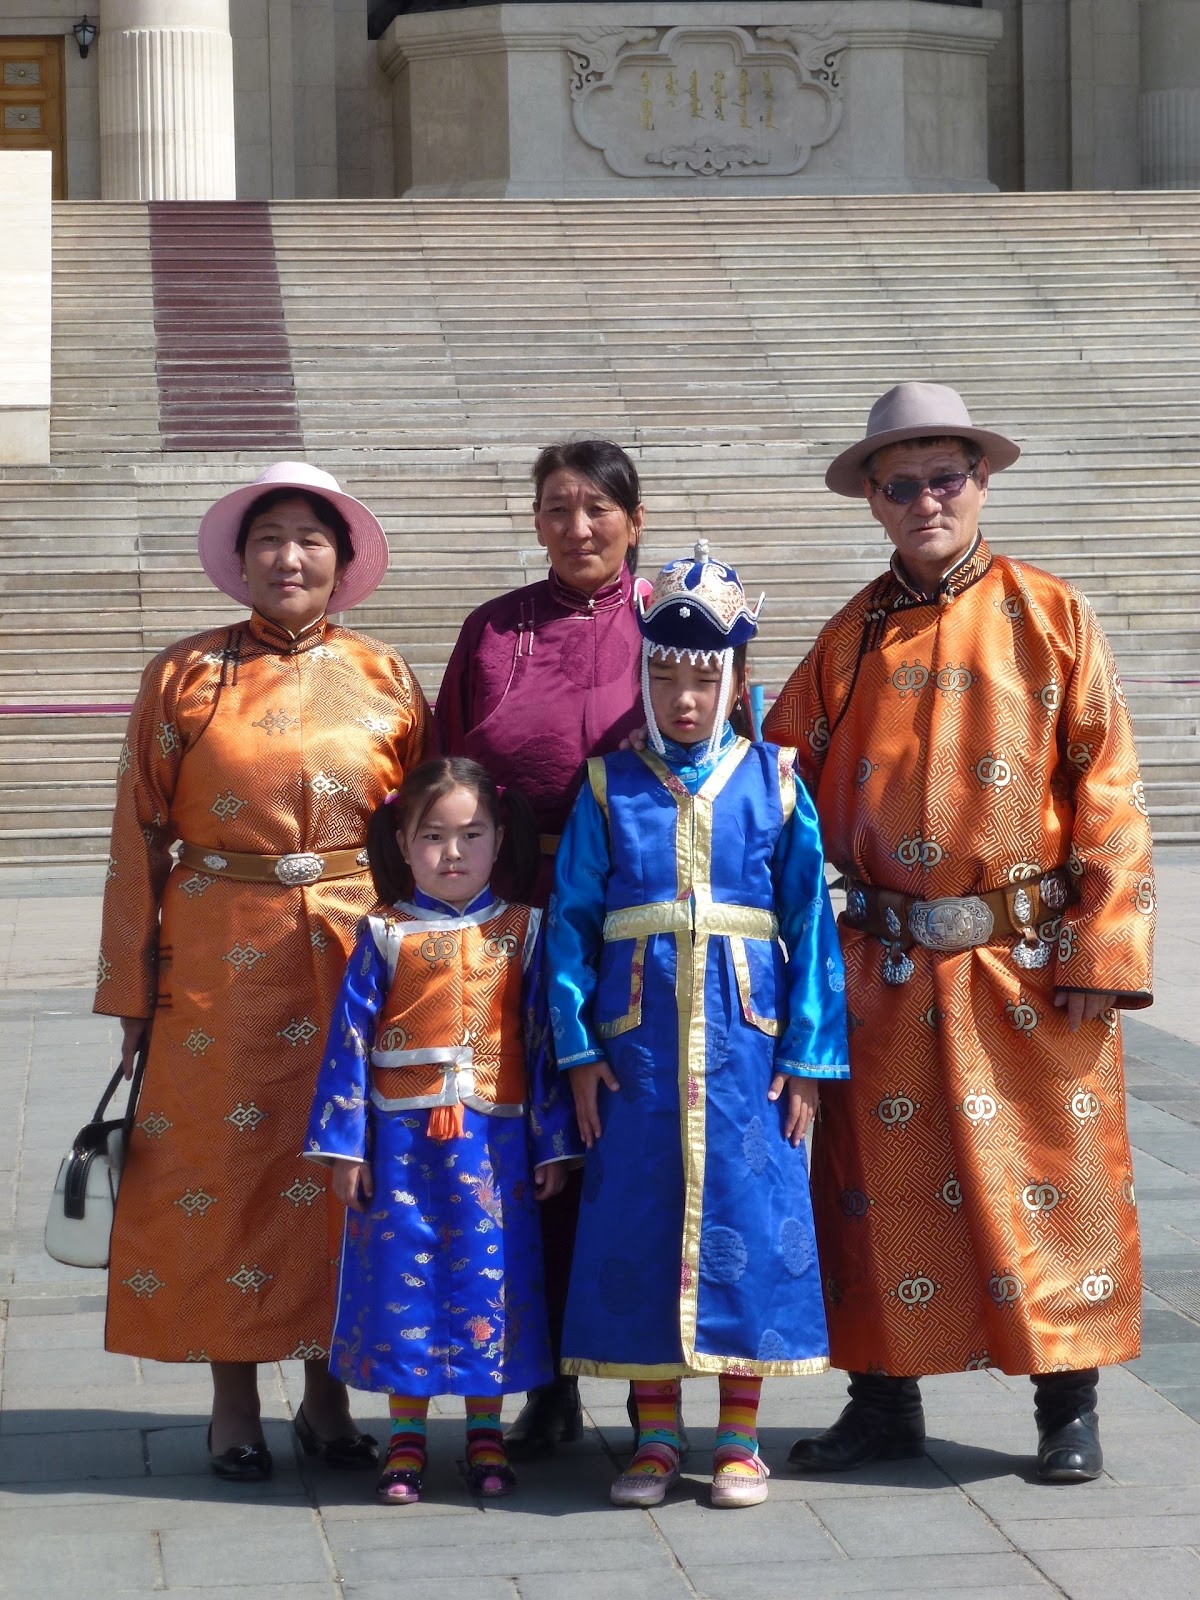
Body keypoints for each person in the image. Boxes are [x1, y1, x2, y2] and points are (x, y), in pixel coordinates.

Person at [763, 382, 1155, 1484]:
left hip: (1024, 962)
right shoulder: (851, 637)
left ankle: (1065, 1405)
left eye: (947, 476)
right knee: (875, 1183)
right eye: (904, 484)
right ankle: (883, 1400)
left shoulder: (1051, 613)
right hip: (882, 963)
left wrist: (1102, 953)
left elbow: (1111, 791)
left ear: (981, 482)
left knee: (1048, 1178)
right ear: (876, 503)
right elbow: (780, 784)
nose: (927, 498)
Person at [95, 462, 430, 1482]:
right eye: (271, 539)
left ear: (341, 560)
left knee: (338, 1171)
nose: (290, 557)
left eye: (310, 539)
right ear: (241, 560)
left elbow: (431, 833)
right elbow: (136, 835)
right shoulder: (185, 676)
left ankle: (330, 1396)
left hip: (350, 957)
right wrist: (130, 990)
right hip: (214, 964)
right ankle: (232, 1403)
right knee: (223, 1171)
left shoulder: (386, 676)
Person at [547, 543, 850, 1509]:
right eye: (667, 677)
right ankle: (653, 1438)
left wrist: (807, 1057)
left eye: (704, 679)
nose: (685, 699)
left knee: (749, 1220)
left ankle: (741, 1438)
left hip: (748, 1045)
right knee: (639, 1216)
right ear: (643, 675)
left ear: (735, 680)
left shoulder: (778, 781)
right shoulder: (606, 787)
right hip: (636, 1046)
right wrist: (580, 1050)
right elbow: (569, 925)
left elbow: (809, 925)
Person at [434, 439, 648, 1457]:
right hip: (512, 914)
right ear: (535, 522)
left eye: (598, 506)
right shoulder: (493, 629)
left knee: (631, 1138)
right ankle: (544, 1377)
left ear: (633, 521)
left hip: (638, 924)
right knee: (530, 1145)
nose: (579, 526)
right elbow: (444, 769)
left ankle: (659, 1375)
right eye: (558, 507)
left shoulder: (673, 623)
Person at [301, 758, 579, 1506]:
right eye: (433, 836)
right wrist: (345, 1147)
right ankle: (405, 1440)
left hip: (496, 1148)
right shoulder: (383, 934)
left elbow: (543, 1039)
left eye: (471, 834)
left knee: (494, 1283)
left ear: (498, 840)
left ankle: (487, 1433)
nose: (452, 853)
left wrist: (554, 1142)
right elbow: (349, 1043)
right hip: (400, 1149)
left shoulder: (523, 930)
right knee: (404, 1285)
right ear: (402, 840)